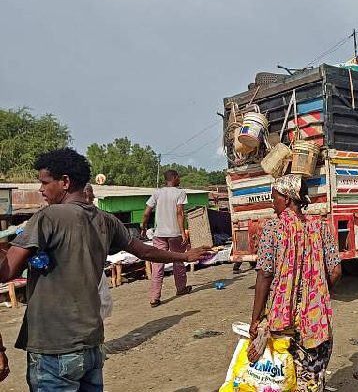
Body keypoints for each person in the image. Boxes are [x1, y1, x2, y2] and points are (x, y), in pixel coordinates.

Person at [0, 148, 211, 392]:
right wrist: (184, 255)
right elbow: (144, 251)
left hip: (54, 348)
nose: (41, 190)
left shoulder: (48, 217)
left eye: (44, 182)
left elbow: (6, 272)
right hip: (91, 344)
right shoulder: (105, 219)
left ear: (65, 182)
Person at [247, 174, 342, 392]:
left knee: (280, 378)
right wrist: (316, 295)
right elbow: (336, 271)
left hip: (282, 320)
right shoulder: (320, 227)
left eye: (275, 198)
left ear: (288, 199)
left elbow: (264, 275)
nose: (273, 203)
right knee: (310, 381)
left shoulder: (273, 229)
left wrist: (255, 319)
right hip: (315, 321)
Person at [141, 169, 190, 307]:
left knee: (158, 265)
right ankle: (181, 289)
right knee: (178, 261)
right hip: (174, 234)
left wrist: (144, 228)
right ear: (174, 178)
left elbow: (146, 213)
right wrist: (182, 232)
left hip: (159, 234)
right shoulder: (180, 192)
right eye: (178, 177)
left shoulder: (157, 193)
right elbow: (179, 213)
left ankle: (154, 297)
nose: (179, 179)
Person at [85, 183, 114, 319]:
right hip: (81, 273)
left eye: (91, 199)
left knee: (102, 305)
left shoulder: (99, 217)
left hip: (95, 267)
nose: (91, 203)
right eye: (90, 199)